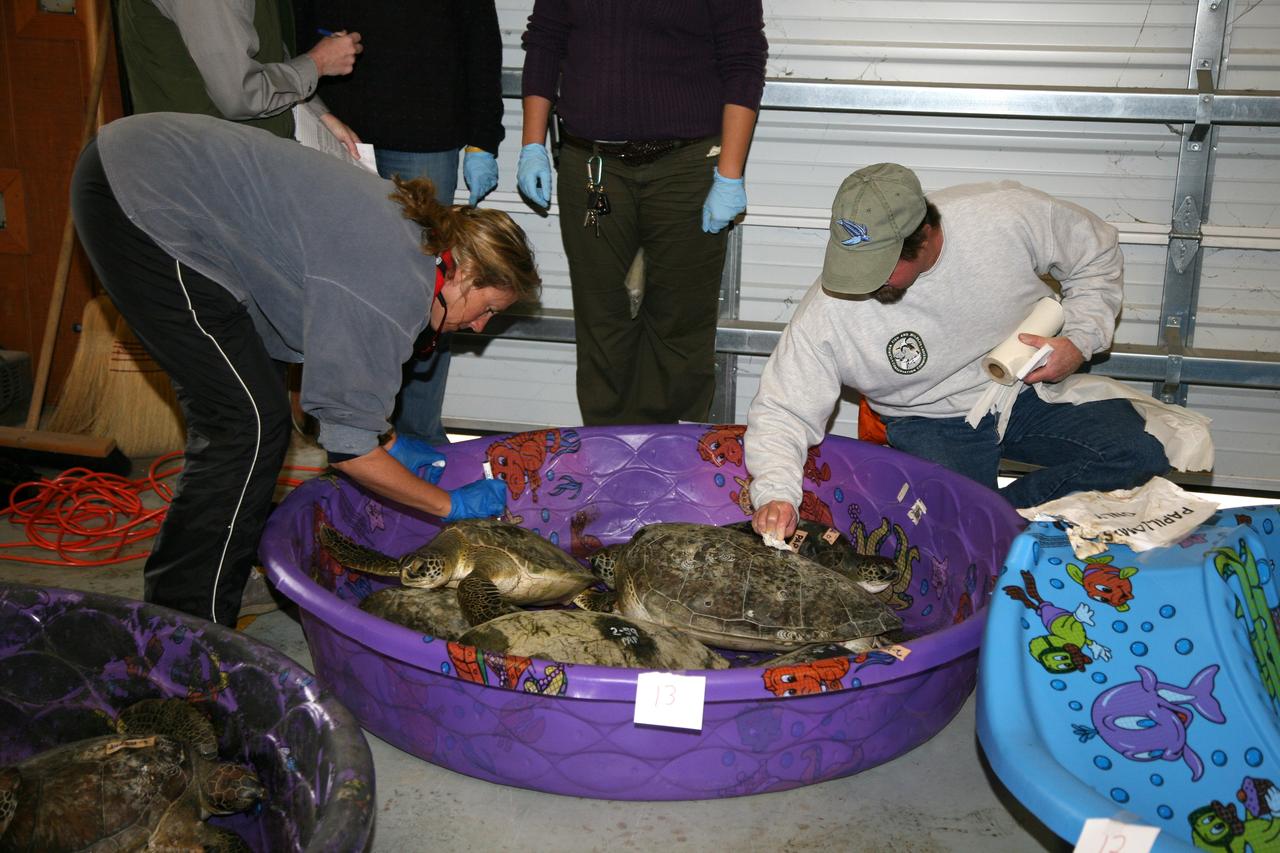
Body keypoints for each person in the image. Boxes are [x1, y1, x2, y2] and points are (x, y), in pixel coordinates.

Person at [70, 112, 541, 627]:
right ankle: (186, 632)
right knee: (244, 427)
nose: (478, 328)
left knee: (261, 404)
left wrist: (384, 441)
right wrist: (448, 505)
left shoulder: (414, 247)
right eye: (489, 309)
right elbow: (346, 452)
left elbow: (324, 394)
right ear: (465, 272)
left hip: (149, 170)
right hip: (144, 197)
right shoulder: (395, 285)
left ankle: (223, 570)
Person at [747, 163, 1171, 538]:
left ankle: (997, 522)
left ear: (927, 236)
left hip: (1024, 392)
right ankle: (986, 526)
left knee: (1142, 452)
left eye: (879, 269)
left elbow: (1094, 251)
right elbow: (784, 410)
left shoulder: (1002, 214)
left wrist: (1079, 341)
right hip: (927, 418)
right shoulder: (826, 311)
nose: (862, 284)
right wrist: (776, 493)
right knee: (961, 535)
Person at [517, 1, 768, 425]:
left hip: (686, 165)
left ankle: (675, 458)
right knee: (602, 319)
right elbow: (544, 40)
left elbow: (743, 58)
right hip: (593, 166)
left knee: (681, 325)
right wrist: (531, 145)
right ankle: (606, 455)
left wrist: (730, 173)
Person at [292, 0, 507, 446]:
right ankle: (348, 435)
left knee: (436, 291)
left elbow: (480, 37)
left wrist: (484, 137)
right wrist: (305, 102)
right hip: (335, 125)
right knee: (337, 287)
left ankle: (418, 437)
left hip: (425, 136)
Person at [116, 0, 362, 153]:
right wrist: (318, 63)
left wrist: (316, 112)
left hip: (235, 162)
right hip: (207, 171)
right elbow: (240, 95)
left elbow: (264, 51)